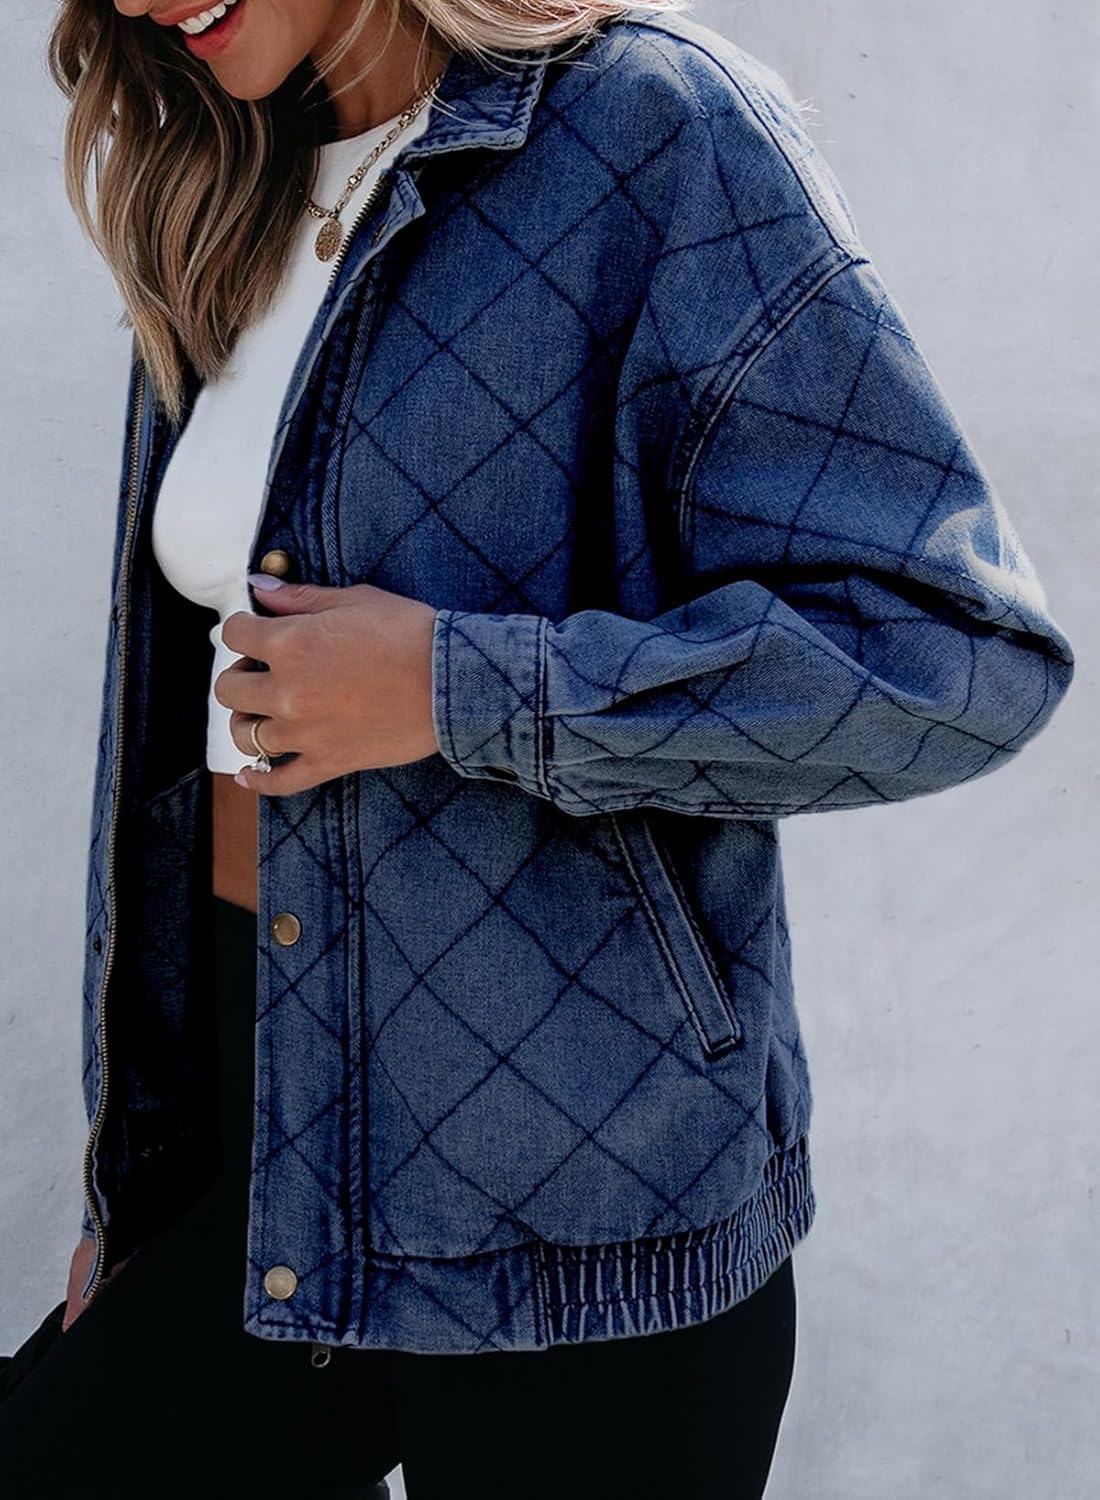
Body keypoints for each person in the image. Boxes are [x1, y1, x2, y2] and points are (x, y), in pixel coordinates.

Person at [0, 0, 1074, 1495]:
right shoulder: (228, 174)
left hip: (589, 1219)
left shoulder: (654, 129)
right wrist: (145, 1176)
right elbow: (176, 755)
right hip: (277, 1173)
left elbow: (953, 654)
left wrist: (457, 689)